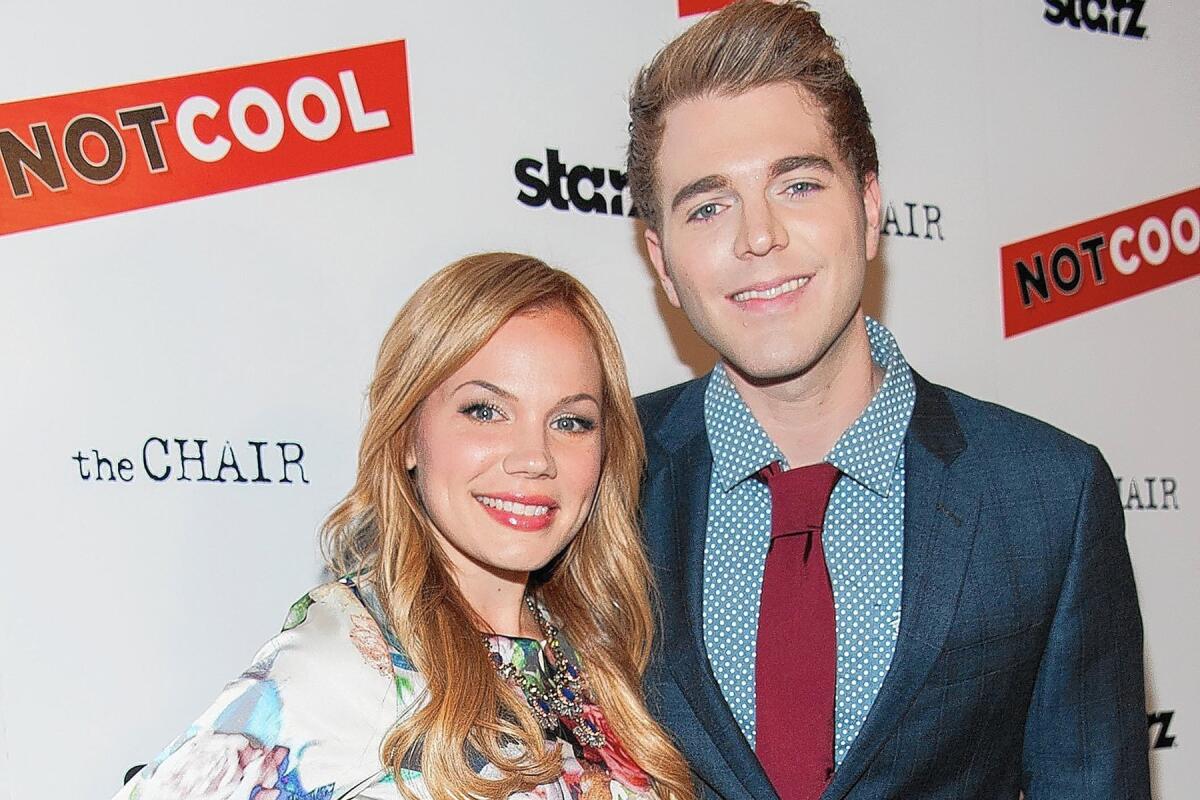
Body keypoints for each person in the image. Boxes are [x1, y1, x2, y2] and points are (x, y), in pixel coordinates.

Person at [626, 3, 1150, 799]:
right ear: (662, 261)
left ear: (870, 208)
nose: (758, 236)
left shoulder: (1047, 495)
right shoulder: (597, 474)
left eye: (797, 184)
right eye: (708, 206)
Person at [115, 253, 696, 800]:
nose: (534, 457)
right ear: (408, 435)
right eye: (485, 410)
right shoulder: (345, 662)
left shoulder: (596, 651)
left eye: (571, 421)